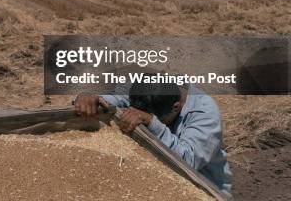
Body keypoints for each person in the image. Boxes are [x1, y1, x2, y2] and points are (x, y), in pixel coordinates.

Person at [74, 82, 232, 197]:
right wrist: (89, 98)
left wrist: (152, 123)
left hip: (203, 186)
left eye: (161, 119)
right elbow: (110, 101)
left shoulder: (204, 111)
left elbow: (189, 160)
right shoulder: (148, 88)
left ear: (176, 107)